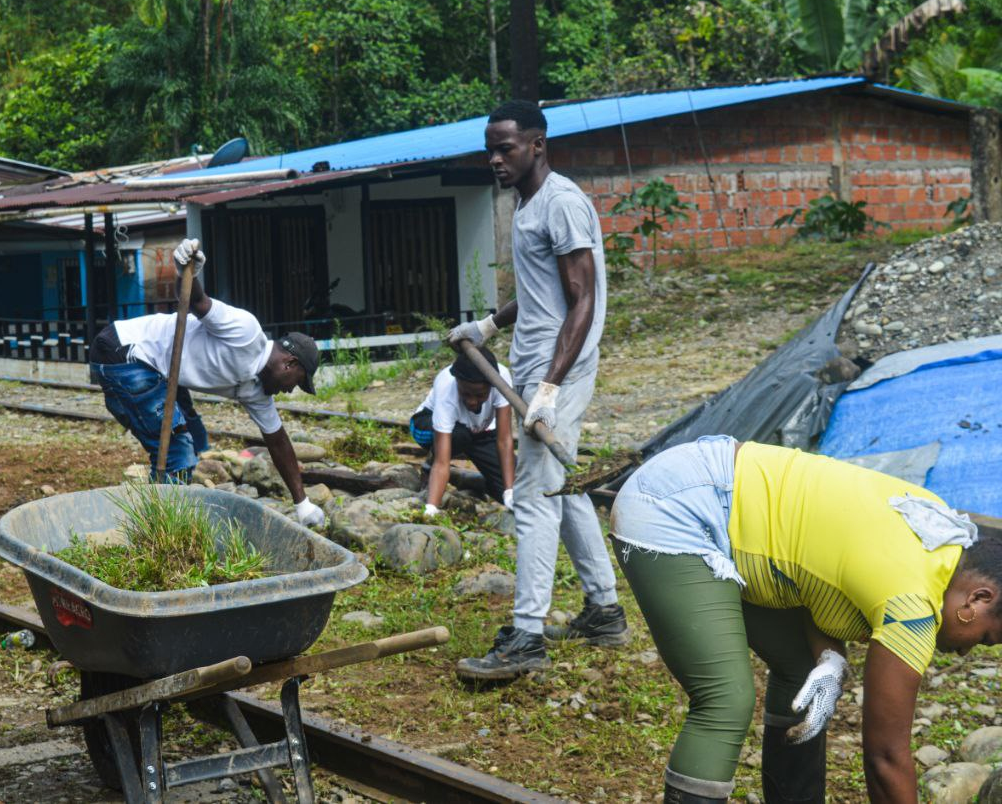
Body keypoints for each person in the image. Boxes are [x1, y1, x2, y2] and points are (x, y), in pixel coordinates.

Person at [612, 436, 1002, 803]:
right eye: (983, 638)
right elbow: (885, 757)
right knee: (725, 700)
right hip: (675, 507)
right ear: (978, 598)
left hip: (722, 503)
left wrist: (829, 657)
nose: (967, 652)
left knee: (803, 673)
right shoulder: (913, 606)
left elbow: (819, 567)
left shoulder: (938, 530)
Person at [450, 99, 627, 682]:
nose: (495, 159)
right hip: (533, 367)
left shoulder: (563, 204)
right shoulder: (528, 206)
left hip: (561, 370)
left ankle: (527, 634)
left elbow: (582, 299)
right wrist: (490, 326)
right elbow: (539, 288)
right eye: (490, 149)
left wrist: (550, 386)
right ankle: (603, 608)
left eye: (507, 148)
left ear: (538, 146)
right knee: (562, 487)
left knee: (530, 496)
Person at [88, 237, 327, 528]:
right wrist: (186, 271)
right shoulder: (246, 332)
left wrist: (302, 503)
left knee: (198, 439)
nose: (289, 390)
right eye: (296, 383)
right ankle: (160, 531)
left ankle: (164, 503)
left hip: (160, 370)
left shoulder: (257, 391)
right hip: (126, 352)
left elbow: (278, 441)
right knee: (178, 452)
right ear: (289, 363)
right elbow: (195, 301)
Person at [409, 346, 515, 514]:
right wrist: (431, 510)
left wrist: (510, 492)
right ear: (457, 383)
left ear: (491, 386)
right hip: (428, 425)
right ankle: (429, 468)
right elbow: (442, 462)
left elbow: (504, 440)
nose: (472, 401)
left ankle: (471, 481)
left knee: (514, 489)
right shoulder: (446, 387)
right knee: (459, 436)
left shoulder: (501, 379)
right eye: (465, 394)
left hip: (479, 431)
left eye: (480, 395)